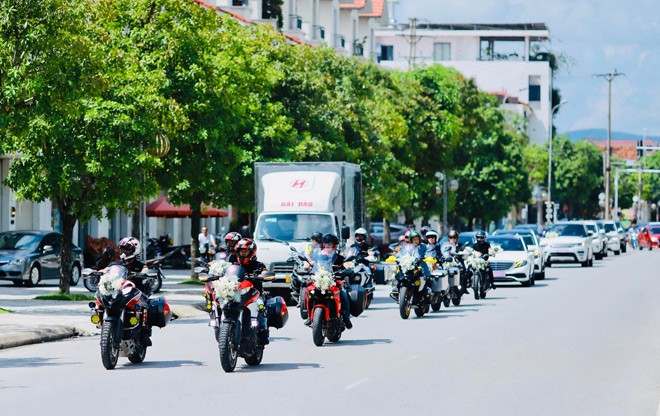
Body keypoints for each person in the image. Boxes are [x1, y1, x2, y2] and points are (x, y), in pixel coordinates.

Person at [304, 233, 352, 329]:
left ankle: (346, 318)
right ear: (323, 244)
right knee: (308, 291)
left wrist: (347, 268)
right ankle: (309, 316)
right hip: (318, 279)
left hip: (334, 281)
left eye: (330, 244)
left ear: (334, 244)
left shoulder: (338, 256)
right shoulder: (318, 255)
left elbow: (346, 264)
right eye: (326, 243)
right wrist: (308, 265)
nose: (328, 245)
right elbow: (311, 263)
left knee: (344, 295)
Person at [232, 238, 270, 344]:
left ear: (251, 252)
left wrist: (264, 275)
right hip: (238, 293)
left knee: (261, 306)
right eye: (241, 251)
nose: (243, 253)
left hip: (255, 293)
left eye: (245, 250)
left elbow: (265, 272)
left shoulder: (258, 265)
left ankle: (262, 330)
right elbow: (226, 271)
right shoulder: (234, 264)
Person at [441, 230, 469, 294]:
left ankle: (464, 287)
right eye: (451, 238)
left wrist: (465, 252)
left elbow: (466, 250)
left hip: (458, 262)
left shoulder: (460, 245)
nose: (452, 239)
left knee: (465, 271)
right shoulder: (446, 245)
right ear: (449, 238)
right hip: (447, 263)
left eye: (454, 238)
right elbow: (442, 251)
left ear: (457, 238)